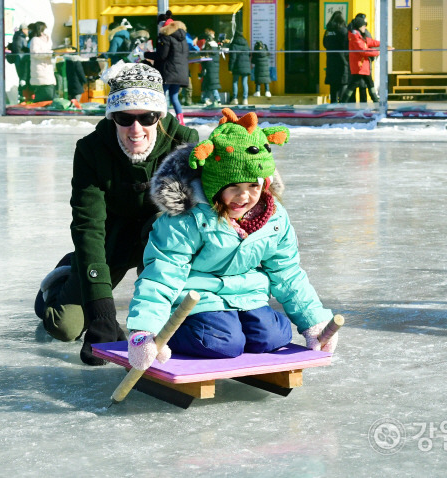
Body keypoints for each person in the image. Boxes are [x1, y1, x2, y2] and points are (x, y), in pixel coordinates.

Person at [124, 108, 339, 370]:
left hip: (247, 297)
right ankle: (175, 331)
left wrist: (313, 322)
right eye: (233, 188)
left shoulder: (274, 219)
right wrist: (146, 331)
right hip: (198, 299)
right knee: (222, 342)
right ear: (215, 185)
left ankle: (236, 328)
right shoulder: (188, 218)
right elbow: (162, 273)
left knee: (274, 336)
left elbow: (287, 272)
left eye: (253, 187)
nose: (244, 197)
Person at [34, 62, 199, 366]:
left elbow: (196, 222)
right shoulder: (91, 150)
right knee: (64, 326)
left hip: (161, 240)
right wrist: (103, 315)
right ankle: (66, 274)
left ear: (159, 116)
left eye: (146, 117)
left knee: (164, 226)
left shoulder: (183, 143)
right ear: (112, 117)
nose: (136, 129)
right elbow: (88, 227)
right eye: (125, 118)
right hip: (111, 238)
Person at [144, 20, 190, 125]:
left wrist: (146, 55)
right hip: (180, 73)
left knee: (161, 96)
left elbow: (162, 55)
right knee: (174, 97)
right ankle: (181, 121)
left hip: (168, 72)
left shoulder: (165, 37)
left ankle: (160, 119)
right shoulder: (183, 40)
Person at [339, 15, 379, 104]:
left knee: (369, 83)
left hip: (362, 65)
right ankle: (344, 101)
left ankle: (375, 100)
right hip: (359, 65)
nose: (365, 27)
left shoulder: (360, 35)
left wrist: (382, 43)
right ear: (360, 26)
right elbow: (362, 50)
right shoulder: (355, 37)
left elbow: (370, 41)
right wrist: (377, 52)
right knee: (354, 84)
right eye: (364, 26)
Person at [323, 11, 349, 103]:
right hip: (342, 60)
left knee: (333, 84)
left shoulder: (328, 31)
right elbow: (347, 45)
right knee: (343, 82)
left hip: (330, 60)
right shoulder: (343, 30)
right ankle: (342, 104)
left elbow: (325, 44)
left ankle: (333, 103)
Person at [28, 21, 56, 102]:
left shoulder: (46, 39)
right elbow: (35, 53)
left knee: (49, 96)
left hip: (47, 71)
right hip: (40, 72)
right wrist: (50, 53)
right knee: (46, 96)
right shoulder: (35, 40)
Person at [199, 28, 222, 107]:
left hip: (209, 66)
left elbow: (204, 55)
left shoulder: (207, 45)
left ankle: (217, 99)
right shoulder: (216, 45)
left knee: (211, 84)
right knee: (210, 83)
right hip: (215, 67)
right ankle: (205, 98)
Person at [228, 30, 251, 106]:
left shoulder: (234, 44)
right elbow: (249, 54)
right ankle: (245, 99)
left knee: (235, 82)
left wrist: (230, 68)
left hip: (236, 66)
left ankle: (235, 99)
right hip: (246, 66)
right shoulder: (246, 43)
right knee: (245, 82)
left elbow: (232, 58)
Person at [10, 23, 30, 102]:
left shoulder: (17, 36)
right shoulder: (20, 37)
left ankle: (22, 94)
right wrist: (27, 50)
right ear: (24, 29)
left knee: (22, 78)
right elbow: (19, 49)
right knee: (23, 78)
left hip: (19, 59)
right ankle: (22, 95)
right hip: (21, 60)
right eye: (27, 29)